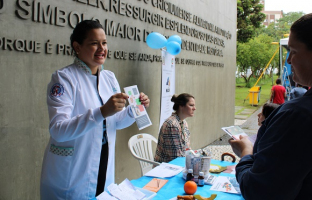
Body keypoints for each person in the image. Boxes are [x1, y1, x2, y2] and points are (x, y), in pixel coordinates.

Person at [229, 11, 312, 199]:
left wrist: (247, 153)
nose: (289, 60)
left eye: (294, 51)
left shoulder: (300, 116)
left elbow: (260, 191)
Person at [40, 20, 150, 199]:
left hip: (103, 163)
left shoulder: (109, 77)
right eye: (94, 43)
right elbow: (58, 130)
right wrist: (102, 112)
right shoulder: (64, 79)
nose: (102, 48)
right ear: (77, 46)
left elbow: (115, 122)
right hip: (73, 172)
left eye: (104, 43)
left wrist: (133, 110)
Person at [154, 93, 196, 163]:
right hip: (166, 167)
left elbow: (186, 148)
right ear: (181, 106)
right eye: (191, 105)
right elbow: (176, 157)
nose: (194, 108)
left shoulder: (184, 122)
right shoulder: (172, 125)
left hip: (179, 163)